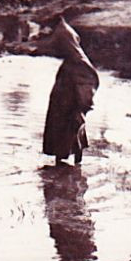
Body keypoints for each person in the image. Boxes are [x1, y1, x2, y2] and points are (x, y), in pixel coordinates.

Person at [42, 16, 100, 166]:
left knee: (70, 124)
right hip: (66, 93)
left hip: (72, 97)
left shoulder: (79, 62)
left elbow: (90, 80)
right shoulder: (70, 60)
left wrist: (82, 102)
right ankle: (68, 165)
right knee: (65, 124)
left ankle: (67, 163)